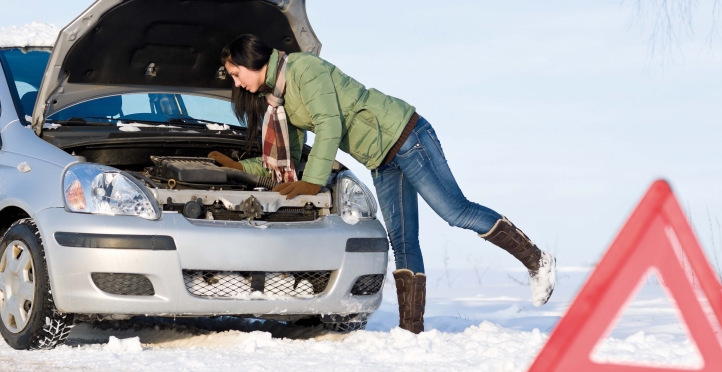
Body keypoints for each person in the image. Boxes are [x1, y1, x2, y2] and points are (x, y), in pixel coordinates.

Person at [206, 34, 556, 334]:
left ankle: (537, 260)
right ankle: (411, 331)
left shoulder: (303, 69)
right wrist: (240, 166)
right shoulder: (279, 100)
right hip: (382, 158)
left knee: (454, 210)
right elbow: (290, 156)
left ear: (251, 61)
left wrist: (313, 183)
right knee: (402, 240)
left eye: (236, 74)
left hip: (406, 135)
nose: (236, 82)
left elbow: (329, 125)